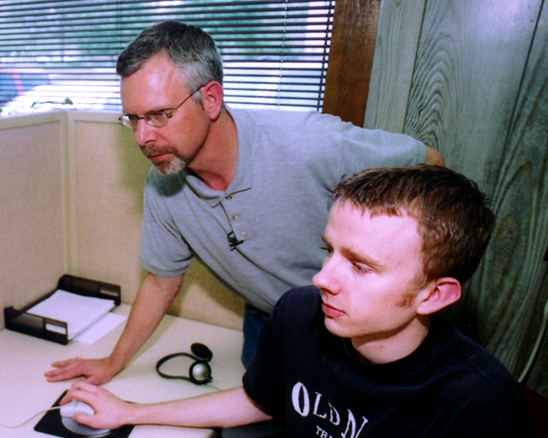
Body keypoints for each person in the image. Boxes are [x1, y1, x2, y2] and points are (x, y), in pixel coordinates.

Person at [61, 164, 539, 438]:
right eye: (330, 250)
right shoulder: (300, 313)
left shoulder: (479, 402)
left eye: (361, 266)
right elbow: (255, 401)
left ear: (434, 295)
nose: (322, 279)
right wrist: (129, 411)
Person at [45, 20, 444, 385]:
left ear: (212, 99)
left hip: (359, 328)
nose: (142, 137)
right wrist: (112, 363)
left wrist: (398, 285)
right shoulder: (162, 187)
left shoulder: (312, 144)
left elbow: (430, 163)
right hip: (269, 321)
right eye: (132, 118)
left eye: (159, 115)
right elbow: (160, 283)